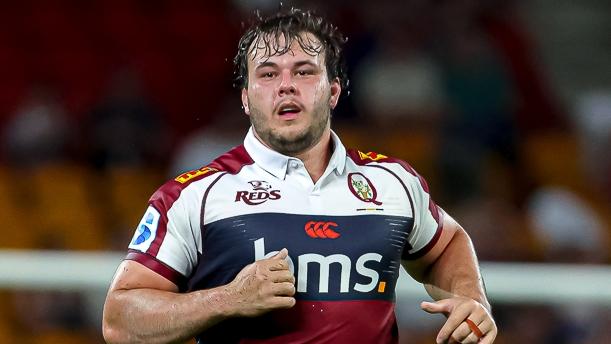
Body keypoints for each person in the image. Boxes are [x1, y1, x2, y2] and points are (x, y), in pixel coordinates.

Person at [102, 9, 497, 344]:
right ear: (245, 97)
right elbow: (119, 319)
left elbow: (447, 243)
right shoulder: (195, 195)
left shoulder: (393, 182)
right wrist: (226, 298)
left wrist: (471, 299)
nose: (286, 85)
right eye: (268, 74)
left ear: (334, 91)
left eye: (304, 71)